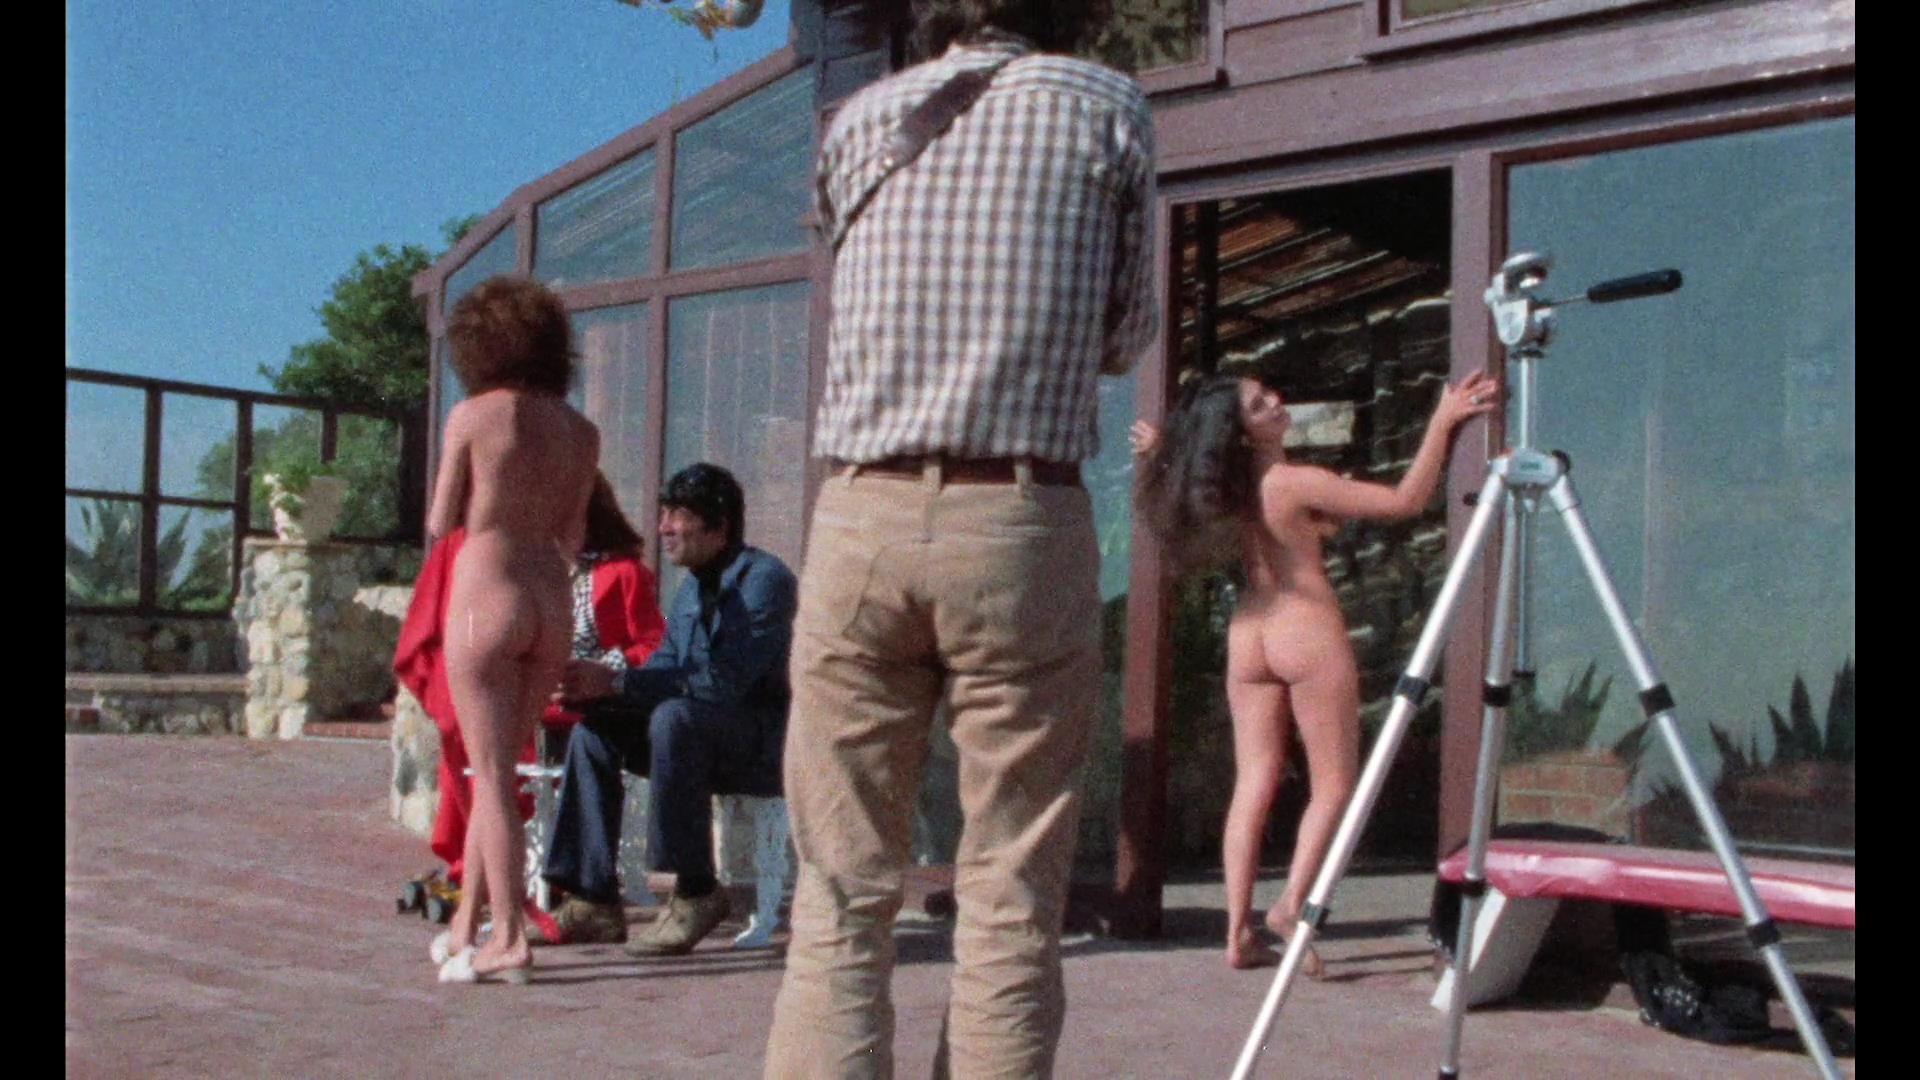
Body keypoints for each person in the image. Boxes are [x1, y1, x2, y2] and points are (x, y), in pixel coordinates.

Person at [763, 1, 1158, 1075]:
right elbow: (1124, 336)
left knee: (839, 891)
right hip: (1018, 517)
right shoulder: (1106, 105)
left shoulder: (857, 120)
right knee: (1010, 890)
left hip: (862, 510)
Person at [1132, 365, 1498, 972]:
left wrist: (1161, 449)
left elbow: (1184, 467)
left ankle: (1236, 933)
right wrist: (1442, 421)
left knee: (1253, 781)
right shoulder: (1294, 483)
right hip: (1305, 629)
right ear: (1241, 433)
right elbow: (1405, 501)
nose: (1276, 401)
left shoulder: (1220, 493)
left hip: (1249, 635)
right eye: (1259, 405)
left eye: (1269, 392)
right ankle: (1290, 906)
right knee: (1333, 785)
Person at [542, 462, 797, 956]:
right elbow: (664, 667)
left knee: (672, 717)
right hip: (690, 740)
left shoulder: (765, 581)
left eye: (678, 515)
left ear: (719, 526)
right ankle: (592, 898)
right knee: (597, 728)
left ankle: (696, 891)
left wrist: (618, 680)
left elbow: (723, 683)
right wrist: (596, 688)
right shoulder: (690, 588)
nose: (663, 528)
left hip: (759, 747)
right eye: (663, 515)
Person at [425, 275, 601, 985]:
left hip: (486, 590)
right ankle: (466, 924)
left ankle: (508, 937)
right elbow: (574, 534)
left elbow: (441, 520)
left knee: (491, 775)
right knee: (499, 770)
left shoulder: (472, 415)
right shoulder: (581, 432)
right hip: (550, 598)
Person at [392, 473, 665, 924]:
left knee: (502, 764)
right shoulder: (525, 565)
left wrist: (605, 671)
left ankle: (526, 881)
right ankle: (480, 873)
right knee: (469, 748)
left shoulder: (620, 572)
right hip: (527, 705)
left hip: (583, 711)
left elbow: (654, 646)